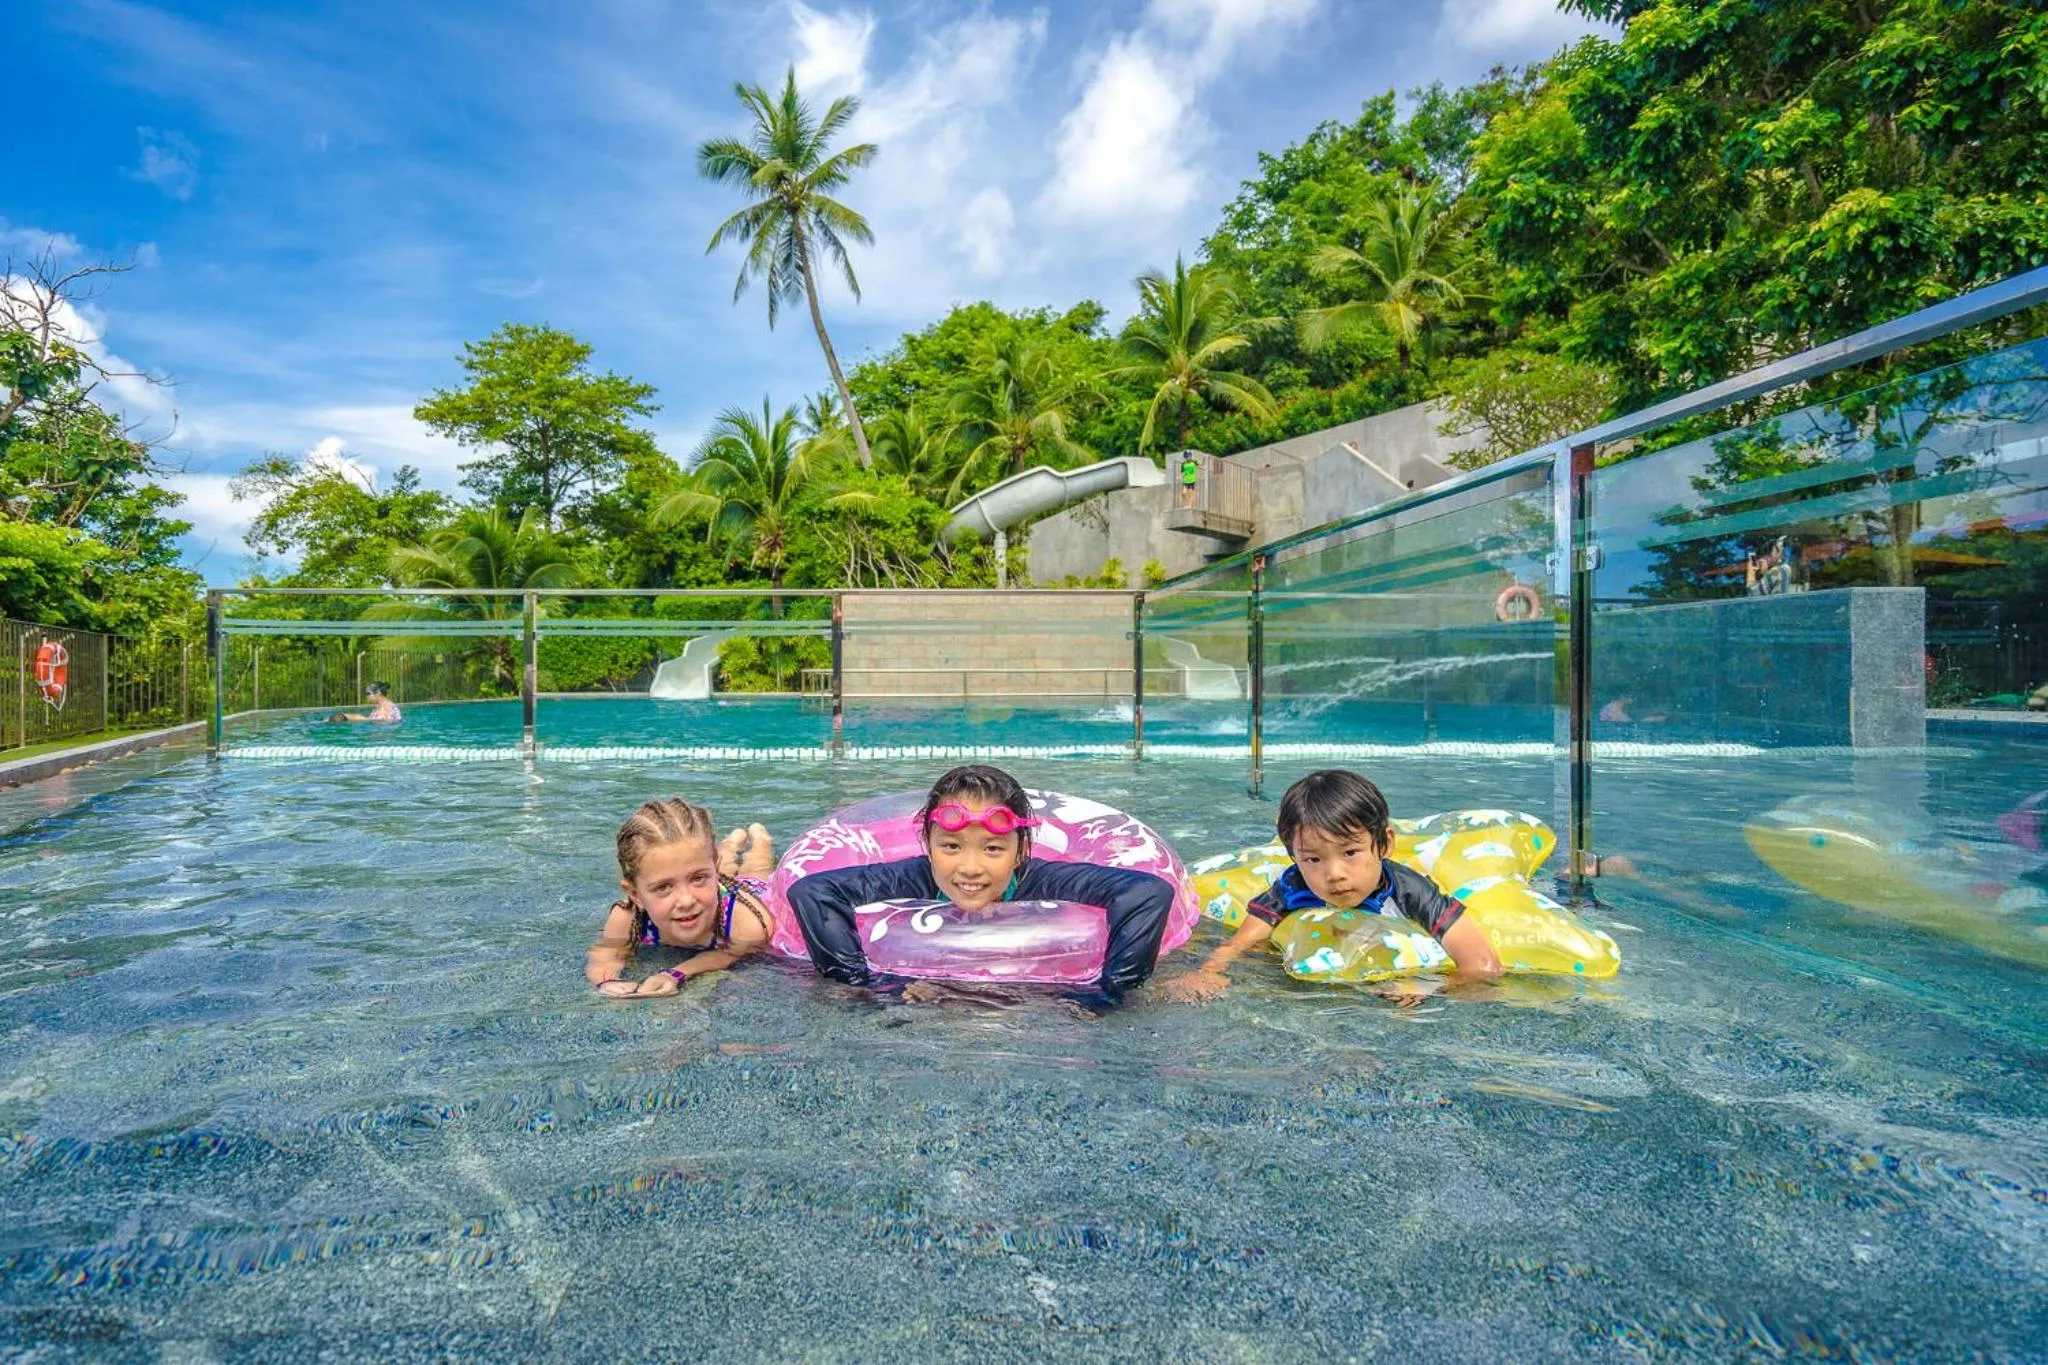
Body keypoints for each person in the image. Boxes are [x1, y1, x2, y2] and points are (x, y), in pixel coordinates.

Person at [785, 764, 1178, 1013]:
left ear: (1020, 849)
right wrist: (868, 987)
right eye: (951, 847)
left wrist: (1107, 996)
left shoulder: (1041, 878)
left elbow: (1148, 893)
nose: (969, 868)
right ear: (928, 845)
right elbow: (812, 892)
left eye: (993, 849)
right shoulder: (913, 875)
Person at [1158, 769, 1503, 1005]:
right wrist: (1208, 973)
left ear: (1384, 844)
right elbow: (1243, 941)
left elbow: (1481, 963)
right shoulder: (1292, 885)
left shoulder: (1409, 891)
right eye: (1313, 859)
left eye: (1351, 852)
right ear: (1294, 857)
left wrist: (1430, 985)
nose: (1334, 874)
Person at [585, 798, 777, 999]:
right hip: (711, 885)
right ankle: (730, 845)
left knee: (757, 868)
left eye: (699, 878)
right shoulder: (627, 917)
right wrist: (606, 981)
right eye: (663, 887)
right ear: (635, 894)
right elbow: (606, 954)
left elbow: (728, 954)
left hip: (749, 889)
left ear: (714, 868)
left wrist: (676, 973)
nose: (686, 901)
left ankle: (760, 841)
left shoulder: (746, 922)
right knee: (698, 867)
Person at [330, 682, 402, 723]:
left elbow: (384, 726)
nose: (366, 696)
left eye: (368, 693)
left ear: (377, 693)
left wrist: (360, 719)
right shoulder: (380, 707)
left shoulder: (385, 708)